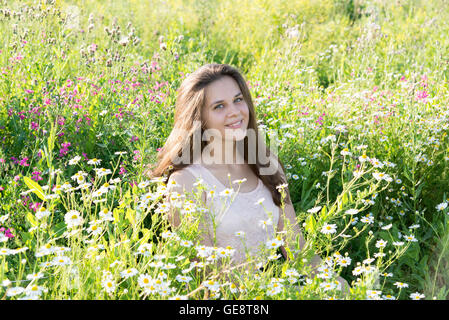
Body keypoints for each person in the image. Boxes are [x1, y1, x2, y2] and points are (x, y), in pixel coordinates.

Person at [146, 63, 349, 292]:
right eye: (219, 106)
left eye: (238, 99)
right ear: (199, 118)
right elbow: (205, 272)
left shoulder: (266, 167)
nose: (234, 112)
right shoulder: (186, 182)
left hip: (271, 290)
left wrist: (339, 286)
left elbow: (297, 248)